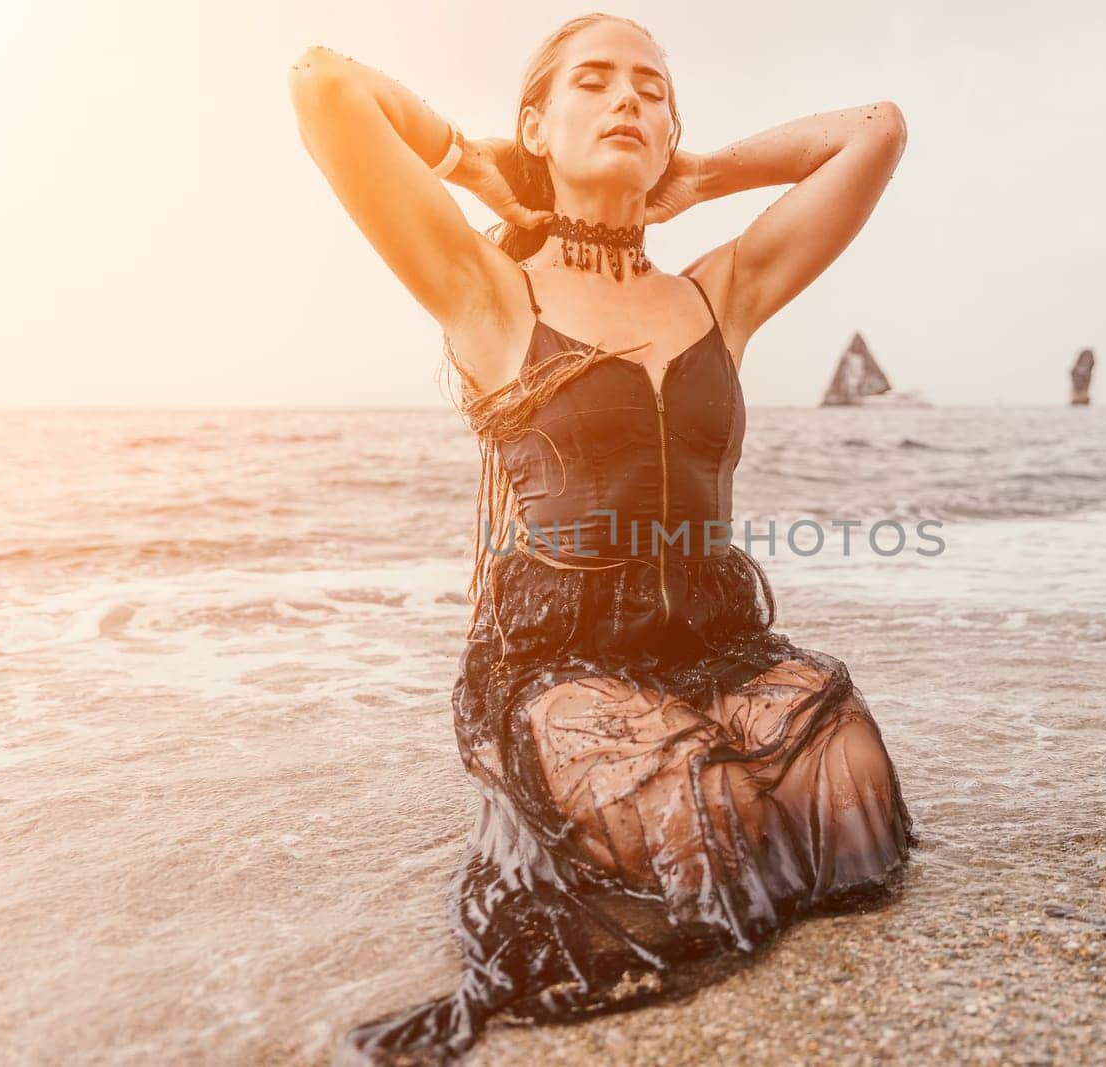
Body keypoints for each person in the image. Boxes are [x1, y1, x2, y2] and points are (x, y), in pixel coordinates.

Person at [289, 13, 917, 1063]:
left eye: (652, 88)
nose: (629, 99)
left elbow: (876, 132)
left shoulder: (721, 291)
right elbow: (321, 85)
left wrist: (699, 172)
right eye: (594, 82)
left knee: (840, 760)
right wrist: (468, 163)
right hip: (560, 662)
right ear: (536, 121)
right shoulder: (489, 293)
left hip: (715, 645)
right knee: (696, 806)